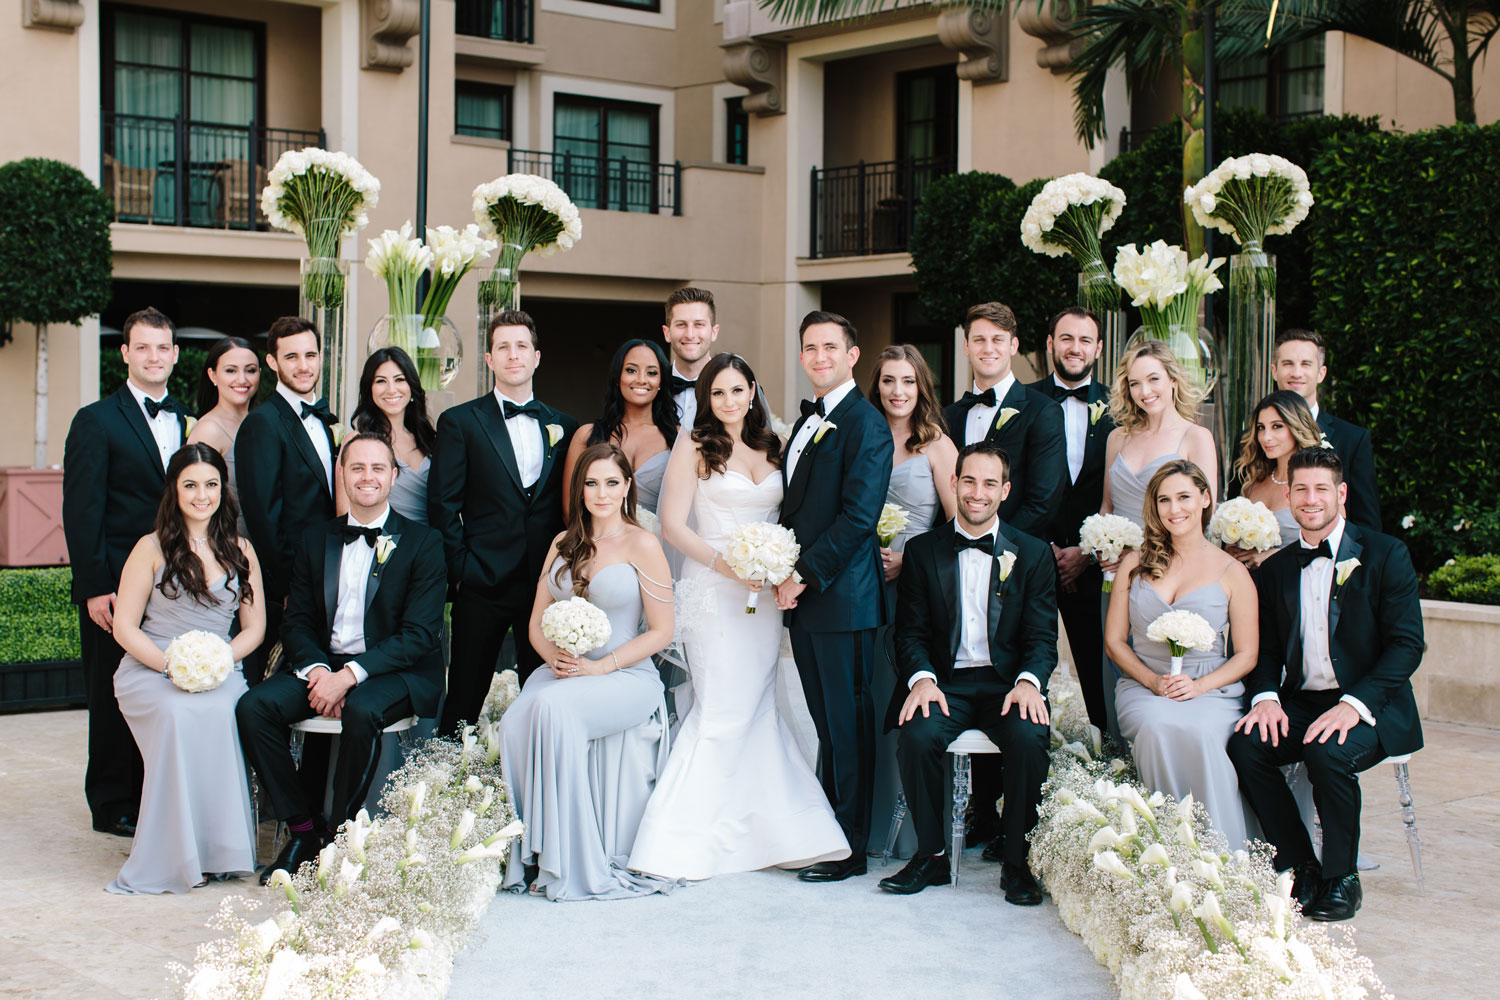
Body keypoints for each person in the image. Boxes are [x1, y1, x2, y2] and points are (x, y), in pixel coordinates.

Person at [630, 354, 850, 879]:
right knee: (722, 708)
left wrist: (776, 566)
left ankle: (770, 834)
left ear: (753, 391)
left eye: (736, 391)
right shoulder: (696, 446)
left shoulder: (775, 444)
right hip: (715, 594)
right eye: (717, 393)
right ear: (707, 399)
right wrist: (731, 566)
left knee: (758, 707)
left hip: (765, 599)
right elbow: (673, 526)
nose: (728, 402)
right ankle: (683, 841)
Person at [237, 432, 447, 881]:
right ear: (343, 475)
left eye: (377, 468)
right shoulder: (316, 538)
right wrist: (318, 671)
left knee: (361, 710)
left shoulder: (424, 543)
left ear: (393, 476)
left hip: (395, 669)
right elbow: (297, 621)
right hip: (324, 661)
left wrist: (348, 676)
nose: (367, 477)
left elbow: (418, 635)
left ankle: (339, 834)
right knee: (253, 708)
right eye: (357, 468)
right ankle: (303, 829)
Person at [1228, 448, 1423, 922]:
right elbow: (1267, 649)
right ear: (1289, 495)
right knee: (1247, 744)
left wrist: (1355, 705)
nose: (1310, 499)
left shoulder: (1385, 554)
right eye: (1300, 489)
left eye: (1320, 489)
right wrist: (1266, 697)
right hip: (1304, 700)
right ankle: (1299, 864)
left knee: (1327, 751)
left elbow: (1407, 646)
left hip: (1372, 704)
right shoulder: (1275, 570)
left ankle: (1342, 878)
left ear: (1341, 493)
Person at [879, 442, 1056, 904]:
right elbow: (910, 633)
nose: (978, 493)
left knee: (1028, 736)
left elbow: (1041, 639)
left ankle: (1017, 862)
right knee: (915, 735)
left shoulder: (1033, 554)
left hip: (1006, 685)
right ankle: (933, 857)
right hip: (945, 684)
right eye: (969, 481)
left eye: (990, 483)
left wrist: (1027, 683)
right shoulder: (922, 551)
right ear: (954, 483)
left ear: (1005, 490)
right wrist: (921, 679)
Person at [500, 443, 676, 900]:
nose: (601, 493)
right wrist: (551, 657)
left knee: (554, 710)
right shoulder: (562, 544)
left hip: (626, 676)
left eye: (611, 483)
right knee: (516, 718)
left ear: (627, 487)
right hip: (567, 670)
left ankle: (570, 859)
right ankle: (533, 851)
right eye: (592, 483)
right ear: (580, 489)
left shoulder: (643, 543)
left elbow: (661, 632)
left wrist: (601, 668)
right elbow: (537, 621)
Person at [106, 444, 264, 893]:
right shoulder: (150, 547)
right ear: (174, 490)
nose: (202, 495)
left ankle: (216, 852)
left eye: (211, 484)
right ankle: (175, 856)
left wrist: (217, 663)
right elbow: (124, 627)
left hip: (218, 669)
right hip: (151, 667)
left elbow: (254, 629)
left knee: (223, 711)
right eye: (190, 485)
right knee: (177, 716)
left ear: (222, 489)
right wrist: (172, 667)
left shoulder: (242, 550)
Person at [774, 311, 894, 882]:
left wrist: (803, 575)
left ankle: (850, 847)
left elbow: (857, 518)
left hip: (842, 598)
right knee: (826, 723)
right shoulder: (807, 422)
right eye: (809, 348)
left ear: (852, 355)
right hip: (808, 600)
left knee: (847, 724)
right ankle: (830, 831)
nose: (819, 356)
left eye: (830, 347)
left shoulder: (866, 424)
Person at [62, 306, 188, 838]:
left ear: (175, 355)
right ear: (125, 354)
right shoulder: (95, 420)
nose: (154, 357)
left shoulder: (186, 418)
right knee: (113, 692)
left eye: (162, 348)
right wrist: (94, 587)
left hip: (177, 585)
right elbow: (81, 509)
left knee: (163, 689)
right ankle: (112, 800)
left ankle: (154, 795)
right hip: (118, 586)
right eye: (143, 347)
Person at [430, 309, 578, 734]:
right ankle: (446, 785)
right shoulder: (460, 422)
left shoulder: (563, 426)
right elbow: (443, 506)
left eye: (521, 347)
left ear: (536, 356)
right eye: (503, 347)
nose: (513, 355)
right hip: (483, 582)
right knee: (463, 697)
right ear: (490, 359)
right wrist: (463, 571)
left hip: (545, 586)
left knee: (544, 696)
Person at [1105, 460, 1257, 851]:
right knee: (1157, 726)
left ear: (1205, 499)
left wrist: (1200, 685)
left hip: (1211, 687)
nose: (1175, 509)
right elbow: (1115, 641)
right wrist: (1153, 681)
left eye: (1185, 497)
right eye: (1164, 500)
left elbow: (1246, 654)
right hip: (1144, 684)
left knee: (1203, 733)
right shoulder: (1134, 564)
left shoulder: (1232, 571)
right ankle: (1165, 846)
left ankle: (1220, 851)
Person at [1096, 340, 1217, 740]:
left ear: (1172, 380)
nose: (1145, 391)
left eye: (1153, 379)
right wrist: (1103, 545)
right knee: (1115, 666)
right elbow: (1107, 508)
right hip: (1117, 577)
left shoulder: (1196, 437)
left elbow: (1205, 512)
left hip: (1167, 577)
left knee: (1165, 672)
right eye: (1134, 383)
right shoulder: (1118, 439)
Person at [867, 344, 958, 860]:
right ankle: (872, 822)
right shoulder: (865, 436)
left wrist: (907, 561)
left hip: (916, 589)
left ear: (921, 385)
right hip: (864, 587)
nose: (897, 391)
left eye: (907, 381)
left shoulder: (937, 446)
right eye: (887, 381)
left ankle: (913, 833)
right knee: (872, 698)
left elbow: (956, 526)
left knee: (907, 698)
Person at [236, 317, 337, 684]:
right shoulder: (262, 423)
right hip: (289, 591)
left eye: (311, 355)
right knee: (278, 682)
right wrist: (288, 591)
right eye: (292, 356)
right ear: (273, 362)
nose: (304, 365)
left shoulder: (326, 420)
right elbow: (263, 518)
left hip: (328, 578)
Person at [1028, 307, 1113, 732]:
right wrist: (1045, 548)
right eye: (1066, 338)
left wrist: (1088, 552)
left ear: (1098, 348)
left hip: (1096, 563)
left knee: (1101, 672)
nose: (1074, 348)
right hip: (1032, 557)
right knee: (1024, 669)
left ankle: (1112, 762)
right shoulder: (1021, 401)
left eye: (1084, 340)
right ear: (1050, 343)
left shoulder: (1121, 407)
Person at [941, 302, 1064, 538]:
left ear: (1013, 346)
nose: (988, 349)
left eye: (997, 340)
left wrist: (992, 543)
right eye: (979, 340)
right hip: (953, 552)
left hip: (1016, 555)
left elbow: (1043, 501)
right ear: (966, 346)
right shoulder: (947, 417)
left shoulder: (1043, 411)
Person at [1271, 328, 1381, 530]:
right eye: (1288, 364)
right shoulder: (1251, 439)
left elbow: (1366, 525)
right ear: (1274, 371)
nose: (1296, 373)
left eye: (1306, 364)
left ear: (1321, 373)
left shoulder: (1352, 439)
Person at [563, 339, 677, 517]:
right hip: (599, 542)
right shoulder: (587, 436)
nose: (641, 379)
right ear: (618, 378)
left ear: (661, 381)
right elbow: (570, 512)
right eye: (631, 370)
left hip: (660, 543)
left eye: (652, 373)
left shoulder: (677, 438)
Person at [1226, 390, 1324, 568]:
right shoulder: (1253, 482)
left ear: (1297, 426)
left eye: (1277, 426)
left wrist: (1275, 556)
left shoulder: (1320, 483)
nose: (1266, 437)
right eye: (1261, 428)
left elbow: (1333, 545)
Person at [345, 346, 436, 524]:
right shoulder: (357, 441)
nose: (391, 389)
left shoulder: (430, 439)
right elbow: (344, 512)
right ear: (370, 389)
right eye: (381, 381)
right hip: (383, 545)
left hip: (431, 545)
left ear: (411, 386)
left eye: (399, 379)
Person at [187, 335, 260, 535]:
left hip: (261, 549)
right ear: (212, 375)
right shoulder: (208, 430)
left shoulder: (260, 423)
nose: (242, 379)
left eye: (250, 370)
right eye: (231, 371)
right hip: (224, 546)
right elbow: (191, 501)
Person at [662, 287, 720, 427]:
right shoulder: (652, 387)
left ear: (714, 332)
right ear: (667, 333)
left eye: (699, 324)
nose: (690, 334)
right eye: (681, 324)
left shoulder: (739, 388)